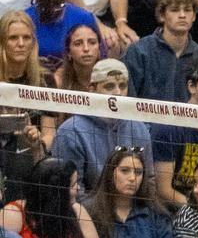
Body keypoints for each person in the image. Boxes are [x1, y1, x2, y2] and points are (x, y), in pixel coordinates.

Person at [49, 55, 147, 187]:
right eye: (109, 86)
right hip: (87, 200)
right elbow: (71, 190)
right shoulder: (70, 131)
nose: (118, 92)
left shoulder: (139, 128)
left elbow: (148, 182)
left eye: (123, 86)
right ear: (92, 90)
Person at [85, 141, 173, 238]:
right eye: (125, 171)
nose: (132, 178)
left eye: (138, 172)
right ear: (110, 172)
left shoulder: (157, 213)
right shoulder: (89, 213)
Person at [5, 157, 102, 238]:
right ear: (54, 191)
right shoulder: (13, 214)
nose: (78, 188)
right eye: (73, 185)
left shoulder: (77, 211)